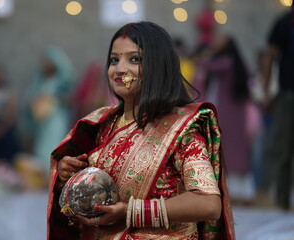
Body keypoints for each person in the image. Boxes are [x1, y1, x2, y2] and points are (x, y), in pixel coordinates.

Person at [47, 22, 235, 240]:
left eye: (134, 59)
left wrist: (131, 212)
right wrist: (68, 176)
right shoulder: (102, 124)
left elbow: (208, 203)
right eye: (114, 60)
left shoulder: (181, 128)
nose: (119, 69)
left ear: (158, 66)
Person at [194, 34, 254, 203]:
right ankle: (236, 191)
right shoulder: (232, 64)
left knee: (231, 153)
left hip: (228, 116)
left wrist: (204, 55)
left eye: (219, 41)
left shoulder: (228, 62)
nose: (215, 43)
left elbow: (207, 64)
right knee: (229, 152)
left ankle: (239, 192)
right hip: (227, 114)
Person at [260, 5, 294, 211]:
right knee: (284, 147)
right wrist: (266, 90)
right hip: (288, 94)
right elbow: (269, 56)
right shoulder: (284, 23)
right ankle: (282, 199)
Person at [25, 46, 75, 172]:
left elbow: (69, 99)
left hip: (56, 118)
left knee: (54, 144)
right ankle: (43, 175)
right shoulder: (41, 80)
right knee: (42, 146)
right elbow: (32, 97)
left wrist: (54, 99)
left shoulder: (62, 81)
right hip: (42, 121)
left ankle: (54, 175)